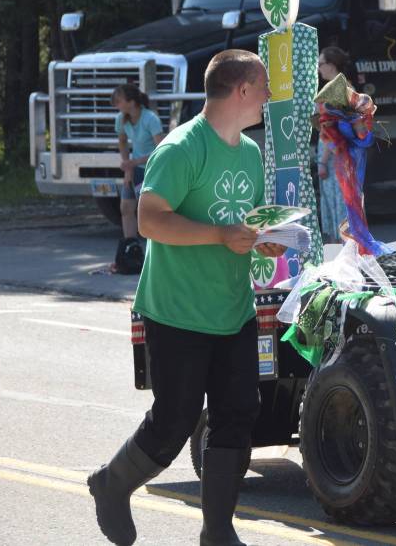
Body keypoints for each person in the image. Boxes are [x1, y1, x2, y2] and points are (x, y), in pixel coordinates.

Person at [87, 50, 286, 546]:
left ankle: (217, 531)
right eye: (262, 86)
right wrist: (222, 235)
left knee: (239, 411)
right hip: (176, 311)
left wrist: (266, 238)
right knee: (174, 421)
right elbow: (152, 220)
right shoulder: (180, 148)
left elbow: (244, 223)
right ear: (241, 90)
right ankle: (111, 483)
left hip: (233, 309)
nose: (267, 97)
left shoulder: (251, 153)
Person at [112, 84, 165, 242]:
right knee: (126, 208)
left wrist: (135, 162)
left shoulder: (150, 119)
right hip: (134, 169)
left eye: (119, 101)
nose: (116, 105)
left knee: (148, 213)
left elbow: (161, 150)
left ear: (132, 101)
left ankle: (155, 247)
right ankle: (130, 245)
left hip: (150, 170)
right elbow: (122, 142)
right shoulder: (120, 119)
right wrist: (128, 167)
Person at [316, 46, 350, 242]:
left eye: (321, 64)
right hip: (342, 154)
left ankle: (342, 252)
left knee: (337, 204)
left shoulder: (333, 90)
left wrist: (323, 161)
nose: (319, 68)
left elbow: (331, 130)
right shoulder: (344, 86)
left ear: (331, 65)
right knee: (344, 203)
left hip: (333, 155)